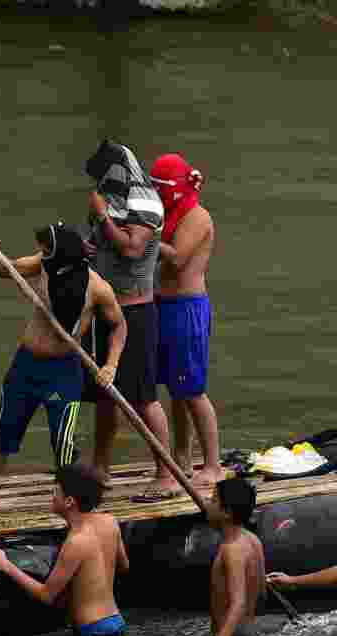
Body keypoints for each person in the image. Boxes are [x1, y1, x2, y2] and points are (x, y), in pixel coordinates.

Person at [0, 216, 127, 511]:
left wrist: (110, 365)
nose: (42, 249)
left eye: (49, 245)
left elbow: (119, 327)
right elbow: (2, 267)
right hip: (26, 366)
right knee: (2, 433)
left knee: (63, 443)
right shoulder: (42, 265)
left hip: (64, 371)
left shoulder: (97, 288)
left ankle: (66, 499)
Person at [81, 140, 174, 501]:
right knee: (105, 395)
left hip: (134, 312)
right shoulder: (111, 195)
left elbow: (133, 248)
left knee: (143, 397)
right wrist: (87, 244)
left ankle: (165, 472)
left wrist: (103, 215)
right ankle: (100, 468)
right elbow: (102, 241)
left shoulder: (146, 200)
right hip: (104, 308)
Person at [0, 463, 129, 636]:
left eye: (55, 492)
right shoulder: (110, 522)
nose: (52, 497)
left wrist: (5, 565)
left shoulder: (76, 541)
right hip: (115, 621)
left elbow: (46, 595)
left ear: (69, 501)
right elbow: (124, 566)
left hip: (93, 632)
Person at [150, 153, 224, 487]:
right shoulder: (169, 213)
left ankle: (212, 464)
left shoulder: (196, 216)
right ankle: (182, 456)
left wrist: (146, 236)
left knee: (193, 390)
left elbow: (178, 258)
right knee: (176, 388)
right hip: (162, 305)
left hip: (187, 308)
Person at [199, 478, 265, 636]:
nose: (207, 503)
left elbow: (238, 602)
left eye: (213, 500)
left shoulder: (231, 549)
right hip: (248, 630)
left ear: (227, 512)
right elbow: (261, 591)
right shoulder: (253, 540)